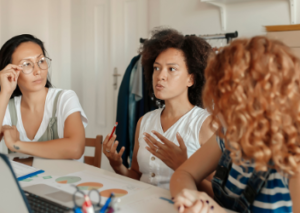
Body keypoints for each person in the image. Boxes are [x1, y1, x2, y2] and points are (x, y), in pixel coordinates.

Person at [170, 36, 300, 212]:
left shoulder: (293, 157)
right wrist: (192, 200)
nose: (216, 108)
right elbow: (183, 174)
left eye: (224, 99)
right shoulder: (228, 135)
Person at [103, 28, 216, 188]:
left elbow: (218, 195)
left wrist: (183, 167)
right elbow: (136, 175)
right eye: (156, 68)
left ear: (190, 79)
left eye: (171, 69)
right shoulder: (144, 121)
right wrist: (117, 165)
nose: (160, 76)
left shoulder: (205, 125)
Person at [0, 34, 88, 161]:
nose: (38, 71)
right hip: (25, 181)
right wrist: (5, 93)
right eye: (26, 64)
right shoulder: (7, 106)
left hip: (68, 180)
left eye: (41, 61)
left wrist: (16, 145)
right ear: (10, 71)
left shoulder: (65, 98)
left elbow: (75, 149)